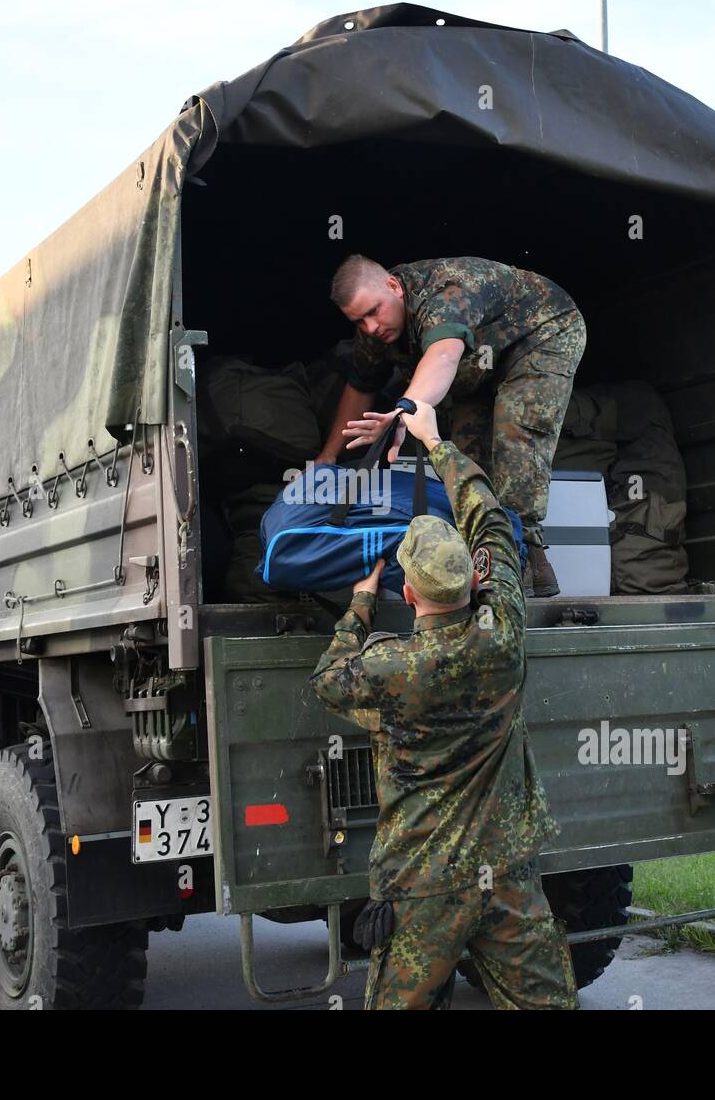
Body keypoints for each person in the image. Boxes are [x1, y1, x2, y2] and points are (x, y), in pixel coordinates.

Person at [309, 398, 579, 1011]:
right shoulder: (504, 634)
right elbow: (489, 518)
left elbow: (328, 679)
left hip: (421, 887)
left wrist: (357, 606)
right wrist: (438, 444)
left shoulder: (392, 668)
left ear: (407, 592)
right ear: (474, 583)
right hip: (507, 875)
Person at [319, 254, 587, 597]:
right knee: (462, 453)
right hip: (483, 359)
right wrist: (328, 456)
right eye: (359, 321)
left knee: (517, 434)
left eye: (373, 312)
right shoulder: (377, 328)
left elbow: (443, 356)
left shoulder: (446, 292)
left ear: (392, 286)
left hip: (542, 332)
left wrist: (404, 410)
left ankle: (524, 558)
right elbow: (361, 386)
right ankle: (474, 555)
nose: (371, 327)